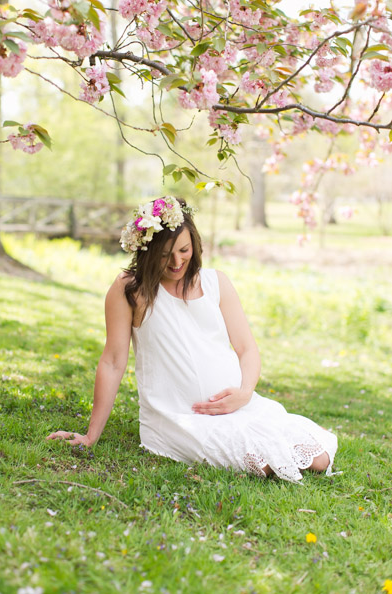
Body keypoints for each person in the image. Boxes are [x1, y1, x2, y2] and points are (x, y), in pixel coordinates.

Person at [47, 196, 337, 483]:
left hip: (237, 405)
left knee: (319, 457)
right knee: (262, 463)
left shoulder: (216, 282)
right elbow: (112, 362)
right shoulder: (130, 289)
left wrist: (245, 392)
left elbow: (247, 349)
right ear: (148, 250)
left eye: (184, 250)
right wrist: (90, 435)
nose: (177, 262)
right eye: (165, 255)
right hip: (177, 418)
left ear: (194, 245)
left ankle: (273, 426)